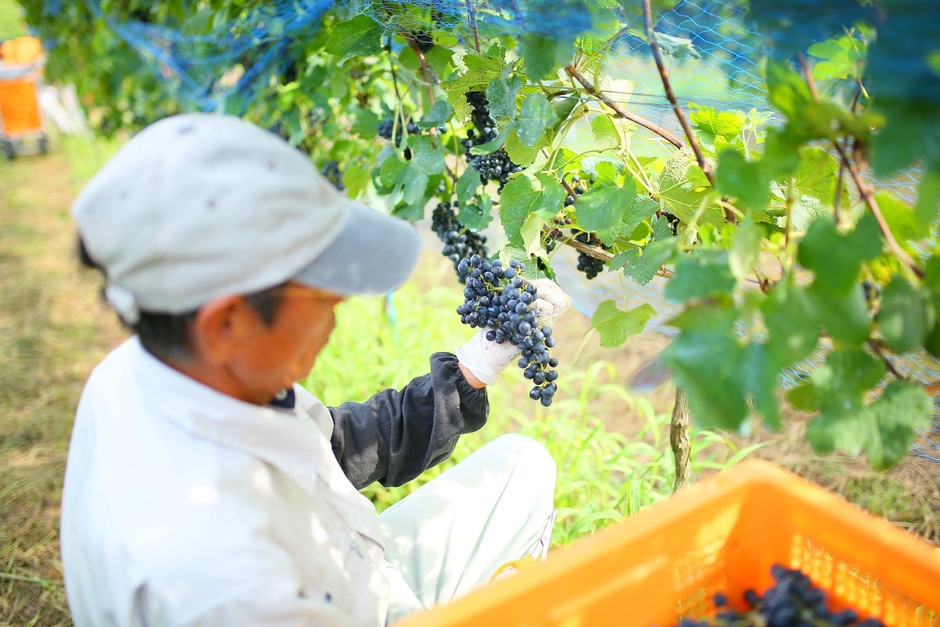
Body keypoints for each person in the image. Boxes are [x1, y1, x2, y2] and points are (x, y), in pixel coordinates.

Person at [61, 113, 572, 626]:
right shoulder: (229, 588)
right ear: (225, 323)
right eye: (320, 283)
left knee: (522, 464)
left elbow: (331, 448)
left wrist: (471, 369)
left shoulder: (162, 371)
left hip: (343, 570)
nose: (343, 296)